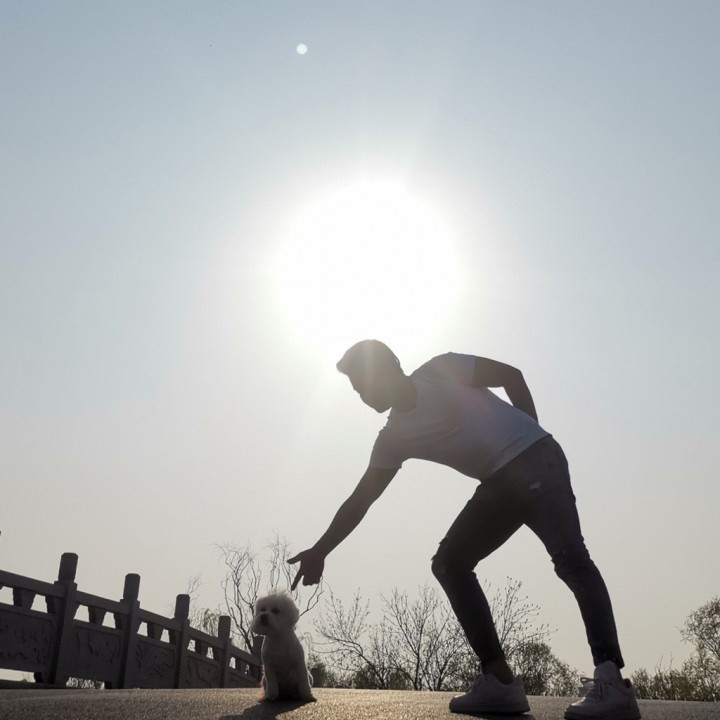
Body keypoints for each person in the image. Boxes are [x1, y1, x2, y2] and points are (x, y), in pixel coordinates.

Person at [289, 340, 640, 719]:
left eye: (365, 383)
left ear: (392, 366)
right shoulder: (393, 438)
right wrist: (321, 550)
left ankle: (610, 680)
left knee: (571, 560)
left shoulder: (441, 369)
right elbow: (361, 500)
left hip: (537, 457)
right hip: (500, 485)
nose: (363, 396)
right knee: (450, 563)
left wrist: (530, 431)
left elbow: (511, 376)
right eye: (357, 390)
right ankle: (500, 680)